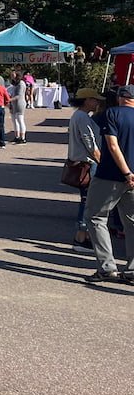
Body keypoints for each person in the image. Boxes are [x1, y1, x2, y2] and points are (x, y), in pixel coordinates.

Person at [83, 85, 134, 284]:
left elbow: (112, 145)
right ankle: (132, 269)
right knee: (131, 222)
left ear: (120, 98)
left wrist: (126, 172)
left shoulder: (111, 114)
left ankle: (107, 267)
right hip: (132, 179)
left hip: (110, 175)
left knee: (95, 216)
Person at [68, 88, 105, 253]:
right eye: (95, 99)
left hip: (81, 162)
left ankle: (84, 235)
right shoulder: (82, 117)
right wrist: (101, 160)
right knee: (88, 201)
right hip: (87, 163)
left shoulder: (78, 116)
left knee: (87, 200)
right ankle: (81, 237)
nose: (97, 102)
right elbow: (90, 144)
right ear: (86, 100)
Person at [9, 78, 28, 144]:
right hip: (13, 104)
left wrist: (9, 100)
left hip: (20, 104)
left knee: (20, 120)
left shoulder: (21, 84)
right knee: (14, 120)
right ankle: (17, 136)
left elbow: (19, 95)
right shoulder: (14, 85)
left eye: (13, 76)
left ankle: (23, 138)